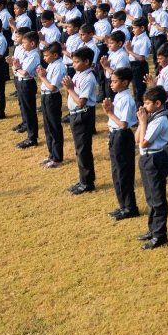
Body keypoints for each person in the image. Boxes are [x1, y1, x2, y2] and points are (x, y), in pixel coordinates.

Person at [134, 85, 168, 250]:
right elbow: (137, 139)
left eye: (147, 103)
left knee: (157, 198)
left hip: (155, 157)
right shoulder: (151, 117)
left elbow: (144, 142)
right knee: (150, 197)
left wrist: (143, 122)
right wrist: (141, 122)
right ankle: (152, 228)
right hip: (145, 158)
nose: (144, 107)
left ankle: (160, 234)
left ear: (158, 103)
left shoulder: (160, 120)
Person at [104, 66, 140, 221]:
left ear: (125, 82)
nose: (111, 84)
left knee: (124, 173)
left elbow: (124, 124)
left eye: (115, 81)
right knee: (116, 172)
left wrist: (109, 113)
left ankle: (130, 207)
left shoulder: (126, 99)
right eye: (111, 81)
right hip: (115, 134)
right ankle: (123, 205)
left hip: (122, 136)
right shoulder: (119, 96)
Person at [63, 46, 99, 195]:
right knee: (79, 149)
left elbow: (81, 102)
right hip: (75, 114)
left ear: (87, 62)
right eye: (73, 61)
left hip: (83, 114)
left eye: (77, 62)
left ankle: (87, 182)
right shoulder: (78, 74)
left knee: (83, 149)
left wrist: (70, 88)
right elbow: (70, 95)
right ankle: (83, 179)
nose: (74, 65)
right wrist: (68, 88)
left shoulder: (88, 78)